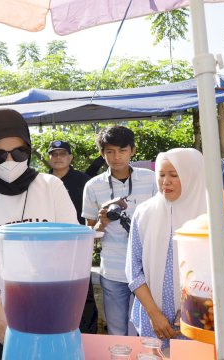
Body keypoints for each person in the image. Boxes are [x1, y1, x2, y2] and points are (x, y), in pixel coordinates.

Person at [0, 108, 78, 359]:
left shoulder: (50, 188)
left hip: (46, 318)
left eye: (19, 152)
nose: (10, 162)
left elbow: (69, 249)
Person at [126, 148, 207, 348]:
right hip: (152, 318)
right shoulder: (144, 213)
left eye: (174, 175)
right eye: (161, 174)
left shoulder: (212, 216)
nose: (165, 182)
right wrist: (154, 314)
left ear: (193, 176)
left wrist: (190, 309)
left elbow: (221, 272)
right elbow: (134, 270)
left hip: (198, 317)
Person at [82, 125, 157, 336]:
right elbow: (91, 236)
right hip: (113, 270)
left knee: (147, 330)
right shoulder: (93, 186)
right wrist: (101, 222)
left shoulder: (151, 179)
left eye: (122, 150)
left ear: (132, 150)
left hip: (146, 269)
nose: (116, 157)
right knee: (116, 331)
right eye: (110, 151)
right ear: (102, 153)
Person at [47, 139, 98, 334]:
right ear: (49, 158)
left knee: (84, 292)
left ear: (70, 157)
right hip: (48, 248)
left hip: (77, 245)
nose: (58, 158)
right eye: (54, 154)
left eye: (62, 154)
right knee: (52, 292)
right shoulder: (41, 182)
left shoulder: (84, 181)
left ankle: (87, 335)